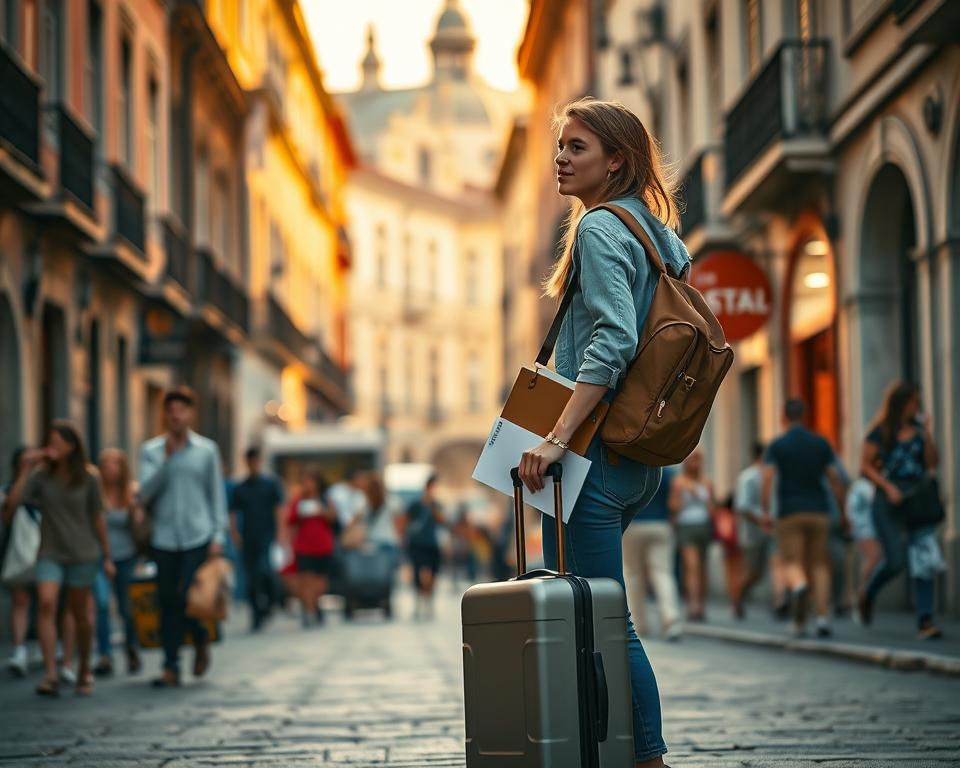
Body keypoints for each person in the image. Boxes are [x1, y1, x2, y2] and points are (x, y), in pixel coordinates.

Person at [517, 97, 689, 768]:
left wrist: (556, 437)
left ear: (616, 159)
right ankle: (610, 749)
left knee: (605, 621)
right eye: (560, 146)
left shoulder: (598, 229)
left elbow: (614, 342)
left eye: (578, 147)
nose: (561, 157)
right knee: (599, 614)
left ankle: (647, 759)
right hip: (638, 460)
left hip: (593, 455)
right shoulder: (659, 233)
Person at [1, 422, 113, 697]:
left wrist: (107, 556)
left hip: (82, 552)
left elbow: (98, 518)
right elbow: (10, 509)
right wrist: (26, 469)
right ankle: (51, 674)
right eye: (48, 440)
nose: (52, 446)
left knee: (78, 613)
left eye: (57, 441)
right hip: (50, 551)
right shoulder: (41, 476)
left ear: (71, 446)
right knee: (47, 604)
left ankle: (82, 668)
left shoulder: (89, 477)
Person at [138, 386, 227, 688]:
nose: (175, 416)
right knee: (166, 601)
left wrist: (218, 535)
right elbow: (144, 493)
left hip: (197, 535)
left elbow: (216, 494)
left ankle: (200, 636)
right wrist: (166, 460)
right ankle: (170, 666)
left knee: (187, 597)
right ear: (164, 414)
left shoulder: (207, 451)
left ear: (191, 414)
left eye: (181, 410)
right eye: (170, 410)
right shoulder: (151, 451)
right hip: (163, 536)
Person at [857, 382, 944, 639]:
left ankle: (925, 620)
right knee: (895, 560)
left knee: (924, 560)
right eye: (913, 402)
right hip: (887, 500)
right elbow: (865, 466)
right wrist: (888, 487)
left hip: (917, 499)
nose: (917, 406)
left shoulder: (919, 432)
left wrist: (927, 433)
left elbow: (933, 463)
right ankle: (868, 594)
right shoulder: (880, 432)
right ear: (901, 403)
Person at [762, 399, 847, 638]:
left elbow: (768, 479)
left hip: (790, 511)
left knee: (792, 562)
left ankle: (798, 587)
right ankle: (820, 618)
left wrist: (766, 511)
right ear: (805, 415)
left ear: (784, 417)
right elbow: (834, 478)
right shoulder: (821, 444)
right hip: (819, 510)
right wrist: (843, 511)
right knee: (820, 564)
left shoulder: (777, 446)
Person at [92, 449, 143, 676]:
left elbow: (140, 527)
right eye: (106, 464)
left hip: (127, 556)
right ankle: (105, 655)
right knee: (102, 605)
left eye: (115, 464)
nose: (111, 469)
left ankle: (131, 648)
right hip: (99, 557)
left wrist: (136, 508)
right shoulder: (94, 492)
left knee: (126, 607)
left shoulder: (131, 492)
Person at [622, 464, 681, 640]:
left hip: (633, 525)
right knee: (663, 573)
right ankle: (671, 620)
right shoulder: (668, 470)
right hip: (660, 525)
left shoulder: (629, 469)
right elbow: (675, 504)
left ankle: (639, 624)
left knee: (633, 574)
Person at [230, 447, 285, 631]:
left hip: (266, 535)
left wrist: (280, 533)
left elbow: (278, 509)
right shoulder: (241, 488)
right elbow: (233, 512)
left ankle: (270, 603)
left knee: (265, 571)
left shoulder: (270, 485)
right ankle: (256, 614)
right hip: (248, 536)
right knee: (251, 577)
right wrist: (235, 534)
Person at [1, 447, 40, 677]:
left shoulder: (47, 484)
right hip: (18, 551)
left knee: (48, 600)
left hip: (48, 549)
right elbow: (8, 514)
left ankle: (53, 646)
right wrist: (24, 473)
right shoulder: (9, 490)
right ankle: (19, 650)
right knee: (20, 599)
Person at [284, 469, 336, 627]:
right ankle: (309, 612)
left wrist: (321, 512)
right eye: (305, 481)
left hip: (323, 546)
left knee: (320, 583)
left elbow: (333, 518)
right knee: (306, 580)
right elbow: (290, 520)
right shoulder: (298, 501)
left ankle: (314, 605)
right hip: (304, 546)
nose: (308, 485)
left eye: (310, 481)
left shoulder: (325, 500)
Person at [669, 452, 716, 622]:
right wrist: (687, 495)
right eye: (691, 461)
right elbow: (672, 506)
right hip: (685, 526)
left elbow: (713, 507)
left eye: (698, 461)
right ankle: (693, 605)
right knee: (691, 566)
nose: (695, 464)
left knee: (703, 567)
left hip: (704, 526)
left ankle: (701, 604)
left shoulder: (707, 482)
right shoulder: (679, 482)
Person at [405, 475, 444, 620]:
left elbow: (442, 521)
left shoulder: (436, 505)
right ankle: (420, 601)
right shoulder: (416, 504)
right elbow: (406, 520)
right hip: (417, 543)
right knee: (420, 573)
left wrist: (433, 508)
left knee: (433, 574)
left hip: (432, 543)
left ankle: (428, 601)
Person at [846, 476, 882, 602]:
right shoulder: (863, 486)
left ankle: (862, 592)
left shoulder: (858, 486)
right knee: (872, 558)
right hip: (865, 527)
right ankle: (862, 593)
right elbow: (873, 501)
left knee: (872, 559)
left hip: (863, 527)